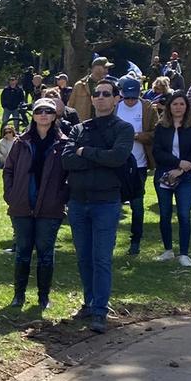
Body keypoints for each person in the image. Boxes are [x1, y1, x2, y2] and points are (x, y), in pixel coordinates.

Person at [61, 77, 133, 334]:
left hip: (106, 202)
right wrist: (95, 156)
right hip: (79, 202)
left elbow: (117, 158)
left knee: (101, 258)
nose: (101, 97)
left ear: (116, 99)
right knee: (84, 257)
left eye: (106, 94)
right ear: (92, 99)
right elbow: (67, 160)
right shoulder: (79, 129)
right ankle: (89, 303)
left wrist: (85, 153)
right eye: (97, 94)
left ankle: (100, 310)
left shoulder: (123, 129)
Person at [2, 98, 69, 310]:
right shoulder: (21, 142)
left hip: (50, 207)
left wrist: (61, 197)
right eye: (39, 111)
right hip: (22, 204)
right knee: (22, 251)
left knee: (45, 253)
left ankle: (43, 297)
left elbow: (69, 175)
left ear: (54, 115)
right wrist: (11, 195)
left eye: (48, 111)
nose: (43, 115)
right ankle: (18, 295)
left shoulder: (62, 143)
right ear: (33, 114)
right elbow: (8, 170)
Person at [151, 91, 191, 267]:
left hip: (186, 175)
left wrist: (182, 168)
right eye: (175, 104)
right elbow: (157, 152)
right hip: (164, 174)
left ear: (187, 106)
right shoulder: (161, 127)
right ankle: (167, 250)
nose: (178, 107)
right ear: (169, 107)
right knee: (165, 214)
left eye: (182, 104)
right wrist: (177, 163)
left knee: (183, 214)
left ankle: (184, 253)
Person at [115, 76, 156, 255]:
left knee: (137, 204)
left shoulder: (147, 108)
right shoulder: (115, 107)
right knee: (113, 203)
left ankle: (136, 240)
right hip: (116, 163)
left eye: (133, 97)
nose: (130, 100)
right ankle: (109, 238)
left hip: (139, 163)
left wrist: (136, 136)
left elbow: (156, 132)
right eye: (127, 97)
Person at [69, 57, 111, 121]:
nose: (107, 71)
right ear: (96, 68)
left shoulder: (108, 86)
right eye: (105, 68)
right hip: (83, 125)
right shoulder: (80, 85)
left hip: (102, 124)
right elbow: (70, 106)